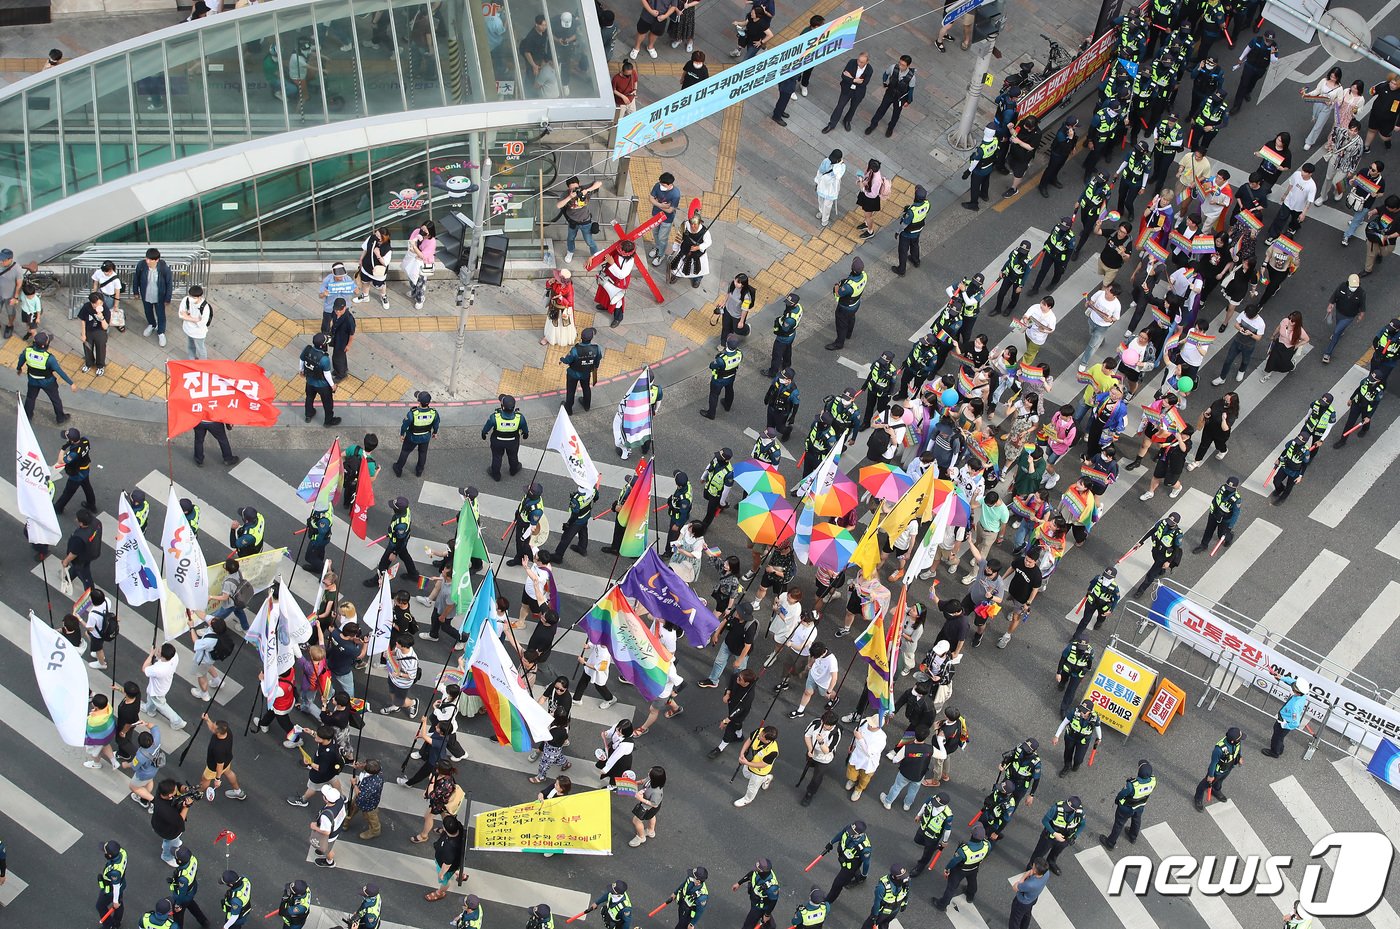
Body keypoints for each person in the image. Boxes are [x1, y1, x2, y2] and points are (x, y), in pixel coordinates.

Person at [17, 329, 73, 423]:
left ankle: (27, 415)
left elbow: (21, 361)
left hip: (32, 380)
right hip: (48, 382)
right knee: (55, 400)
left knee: (30, 398)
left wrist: (19, 369)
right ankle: (60, 418)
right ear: (44, 345)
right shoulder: (49, 358)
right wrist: (71, 383)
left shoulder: (27, 351)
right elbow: (60, 371)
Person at [932, 823, 988, 911]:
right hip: (974, 867)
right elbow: (986, 855)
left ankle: (942, 905)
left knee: (951, 887)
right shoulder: (987, 845)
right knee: (972, 881)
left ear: (971, 835)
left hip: (960, 870)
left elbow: (954, 861)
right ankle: (970, 896)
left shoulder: (964, 850)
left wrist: (947, 869)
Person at [1194, 726, 1245, 810]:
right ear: (1232, 741)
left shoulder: (1237, 742)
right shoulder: (1219, 749)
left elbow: (1238, 749)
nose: (1240, 740)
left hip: (1228, 767)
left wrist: (1239, 757)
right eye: (1239, 739)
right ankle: (1198, 798)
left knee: (1220, 781)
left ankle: (1216, 790)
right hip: (1217, 772)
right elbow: (1213, 763)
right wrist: (1210, 775)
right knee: (1204, 785)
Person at [866, 55, 915, 138]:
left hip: (900, 98)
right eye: (900, 63)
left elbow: (911, 90)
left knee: (896, 114)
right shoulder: (893, 67)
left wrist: (908, 101)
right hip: (890, 93)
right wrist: (884, 82)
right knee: (881, 109)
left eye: (903, 65)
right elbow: (885, 74)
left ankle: (890, 128)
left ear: (908, 66)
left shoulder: (912, 78)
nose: (900, 66)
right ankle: (873, 125)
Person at [134, 247, 174, 347]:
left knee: (160, 313)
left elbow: (169, 283)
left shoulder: (163, 268)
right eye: (146, 258)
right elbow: (136, 278)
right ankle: (152, 324)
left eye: (150, 259)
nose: (147, 261)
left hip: (159, 296)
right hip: (146, 294)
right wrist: (136, 291)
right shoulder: (141, 265)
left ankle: (161, 332)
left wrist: (167, 298)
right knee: (148, 311)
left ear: (156, 260)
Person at [1335, 369, 1386, 448]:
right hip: (1356, 404)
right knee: (1349, 423)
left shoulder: (1379, 391)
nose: (1370, 379)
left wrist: (1369, 416)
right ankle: (1342, 441)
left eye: (1373, 379)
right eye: (1371, 376)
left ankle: (1365, 429)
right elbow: (1358, 389)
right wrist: (1351, 398)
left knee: (1365, 420)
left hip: (1366, 409)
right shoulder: (1366, 380)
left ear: (1378, 381)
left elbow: (1376, 404)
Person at [823, 52, 871, 133]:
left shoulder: (869, 70)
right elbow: (843, 75)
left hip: (858, 92)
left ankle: (847, 120)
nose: (859, 63)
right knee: (840, 106)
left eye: (861, 62)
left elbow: (863, 83)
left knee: (853, 107)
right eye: (858, 60)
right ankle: (832, 124)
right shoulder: (852, 62)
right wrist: (854, 80)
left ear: (867, 62)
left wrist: (850, 77)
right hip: (847, 89)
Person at [395, 390, 440, 478]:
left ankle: (398, 469)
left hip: (412, 437)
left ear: (419, 402)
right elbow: (436, 424)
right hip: (426, 437)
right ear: (428, 403)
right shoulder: (434, 413)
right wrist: (435, 433)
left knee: (405, 452)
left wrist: (402, 434)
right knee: (423, 453)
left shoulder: (413, 413)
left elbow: (404, 425)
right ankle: (419, 471)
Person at [1052, 699, 1102, 776]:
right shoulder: (1074, 712)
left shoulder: (1095, 718)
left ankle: (1076, 764)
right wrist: (1056, 736)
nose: (1082, 713)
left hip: (1083, 741)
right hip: (1070, 737)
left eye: (1085, 711)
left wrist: (1099, 738)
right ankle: (1067, 766)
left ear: (1090, 711)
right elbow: (1064, 723)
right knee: (1068, 753)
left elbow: (1098, 727)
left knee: (1079, 759)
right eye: (1081, 709)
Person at [826, 258, 868, 350]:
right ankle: (848, 334)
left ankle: (839, 343)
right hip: (856, 304)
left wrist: (837, 285)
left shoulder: (849, 286)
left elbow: (838, 293)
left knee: (841, 325)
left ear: (853, 269)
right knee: (851, 318)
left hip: (845, 308)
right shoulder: (864, 275)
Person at [558, 177, 602, 263]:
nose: (575, 190)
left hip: (585, 221)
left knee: (589, 241)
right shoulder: (566, 194)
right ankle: (570, 251)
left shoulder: (584, 189)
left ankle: (595, 255)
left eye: (576, 188)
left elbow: (599, 183)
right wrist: (569, 197)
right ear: (568, 188)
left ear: (579, 184)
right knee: (570, 238)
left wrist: (587, 190)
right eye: (572, 189)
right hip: (572, 222)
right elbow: (559, 205)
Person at [1264, 675, 1310, 758]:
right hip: (1285, 720)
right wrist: (1281, 677)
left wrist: (1285, 725)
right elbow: (1292, 682)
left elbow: (1295, 722)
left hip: (1284, 722)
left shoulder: (1295, 706)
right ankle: (1279, 748)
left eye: (1293, 688)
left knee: (1276, 737)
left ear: (1298, 692)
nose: (1292, 688)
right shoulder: (1302, 695)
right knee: (1280, 738)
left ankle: (1274, 752)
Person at [734, 725, 779, 807]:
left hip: (759, 771)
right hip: (749, 762)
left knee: (752, 787)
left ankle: (747, 799)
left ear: (768, 740)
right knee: (746, 774)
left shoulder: (773, 751)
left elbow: (763, 765)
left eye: (762, 736)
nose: (760, 736)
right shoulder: (758, 731)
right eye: (762, 733)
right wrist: (742, 753)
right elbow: (749, 740)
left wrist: (746, 763)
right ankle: (766, 778)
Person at [595, 240, 637, 327]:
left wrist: (612, 263)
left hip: (618, 282)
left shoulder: (630, 261)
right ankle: (605, 306)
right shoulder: (617, 249)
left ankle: (618, 317)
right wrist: (593, 257)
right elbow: (604, 251)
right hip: (609, 276)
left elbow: (621, 275)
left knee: (617, 300)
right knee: (605, 293)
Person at [560, 327, 602, 413]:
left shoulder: (575, 350)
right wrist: (595, 367)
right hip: (586, 373)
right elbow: (598, 359)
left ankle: (568, 409)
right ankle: (586, 405)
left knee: (571, 391)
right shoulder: (597, 348)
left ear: (581, 338)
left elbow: (568, 360)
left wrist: (562, 359)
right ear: (591, 339)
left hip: (573, 374)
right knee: (586, 388)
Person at [891, 186, 928, 276]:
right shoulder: (927, 204)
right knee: (915, 245)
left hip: (907, 234)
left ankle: (901, 270)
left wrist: (897, 232)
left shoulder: (911, 212)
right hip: (918, 231)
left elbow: (904, 224)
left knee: (903, 251)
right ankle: (916, 261)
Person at [732, 859, 780, 929]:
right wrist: (739, 883)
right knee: (769, 924)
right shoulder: (759, 872)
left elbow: (773, 901)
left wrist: (767, 915)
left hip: (759, 907)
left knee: (748, 925)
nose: (755, 870)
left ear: (762, 871)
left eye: (757, 869)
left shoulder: (772, 887)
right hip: (755, 899)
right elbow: (751, 874)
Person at [669, 212, 711, 287]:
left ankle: (697, 278)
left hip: (698, 253)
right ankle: (677, 274)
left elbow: (708, 242)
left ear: (700, 223)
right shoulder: (685, 225)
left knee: (698, 268)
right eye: (691, 224)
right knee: (679, 264)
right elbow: (679, 236)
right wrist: (675, 247)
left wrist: (698, 247)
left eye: (695, 225)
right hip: (685, 248)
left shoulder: (705, 232)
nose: (693, 227)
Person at [963, 127, 1000, 211]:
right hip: (989, 167)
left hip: (979, 171)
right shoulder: (995, 140)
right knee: (986, 181)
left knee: (975, 187)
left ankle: (974, 204)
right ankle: (984, 195)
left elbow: (975, 161)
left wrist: (968, 171)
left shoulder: (981, 149)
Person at [78, 290, 112, 376]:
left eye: (100, 303)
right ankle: (89, 363)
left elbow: (105, 327)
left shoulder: (106, 310)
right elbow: (83, 320)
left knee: (100, 348)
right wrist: (83, 334)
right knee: (87, 347)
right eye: (96, 303)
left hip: (100, 331)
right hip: (89, 330)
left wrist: (101, 318)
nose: (98, 305)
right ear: (91, 303)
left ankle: (100, 366)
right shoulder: (86, 307)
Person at [97, 840, 129, 928]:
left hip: (111, 888)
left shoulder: (115, 871)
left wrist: (115, 901)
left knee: (100, 906)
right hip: (122, 883)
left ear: (110, 855)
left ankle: (109, 925)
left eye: (106, 852)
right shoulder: (122, 852)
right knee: (119, 903)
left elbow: (116, 886)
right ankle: (116, 922)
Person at [814, 151, 847, 227]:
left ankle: (825, 220)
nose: (831, 160)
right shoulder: (826, 161)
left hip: (831, 189)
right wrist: (817, 181)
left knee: (827, 205)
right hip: (822, 185)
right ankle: (821, 212)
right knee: (820, 200)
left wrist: (837, 164)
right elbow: (820, 171)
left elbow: (838, 176)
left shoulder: (842, 166)